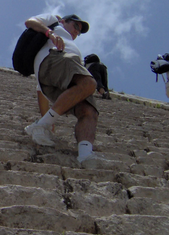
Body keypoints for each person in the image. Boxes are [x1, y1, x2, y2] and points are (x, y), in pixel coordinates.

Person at [22, 13, 108, 169]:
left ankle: (85, 155)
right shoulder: (54, 21)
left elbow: (40, 91)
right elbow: (30, 21)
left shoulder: (73, 47)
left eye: (80, 32)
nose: (77, 32)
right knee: (89, 83)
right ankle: (41, 125)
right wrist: (51, 33)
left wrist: (46, 114)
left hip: (60, 75)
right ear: (63, 21)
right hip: (55, 58)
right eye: (76, 26)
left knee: (89, 111)